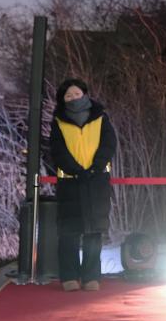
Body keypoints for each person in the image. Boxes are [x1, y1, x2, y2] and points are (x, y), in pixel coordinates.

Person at [49, 79, 117, 292]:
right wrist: (76, 169)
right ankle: (69, 276)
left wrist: (95, 167)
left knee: (93, 232)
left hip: (96, 183)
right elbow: (56, 150)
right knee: (68, 232)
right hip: (70, 183)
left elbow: (109, 143)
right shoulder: (58, 122)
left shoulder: (101, 118)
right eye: (68, 95)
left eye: (76, 93)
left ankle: (91, 277)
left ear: (85, 94)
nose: (73, 97)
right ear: (63, 99)